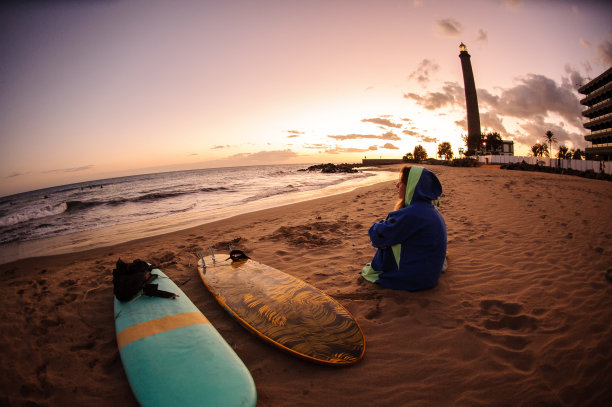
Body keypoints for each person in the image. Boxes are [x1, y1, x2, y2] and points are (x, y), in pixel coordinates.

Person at [361, 165, 447, 290]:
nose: (397, 185)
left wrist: (382, 235)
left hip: (414, 279)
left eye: (400, 182)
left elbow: (377, 235)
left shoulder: (411, 214)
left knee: (386, 240)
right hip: (429, 275)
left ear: (411, 186)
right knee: (391, 235)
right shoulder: (431, 209)